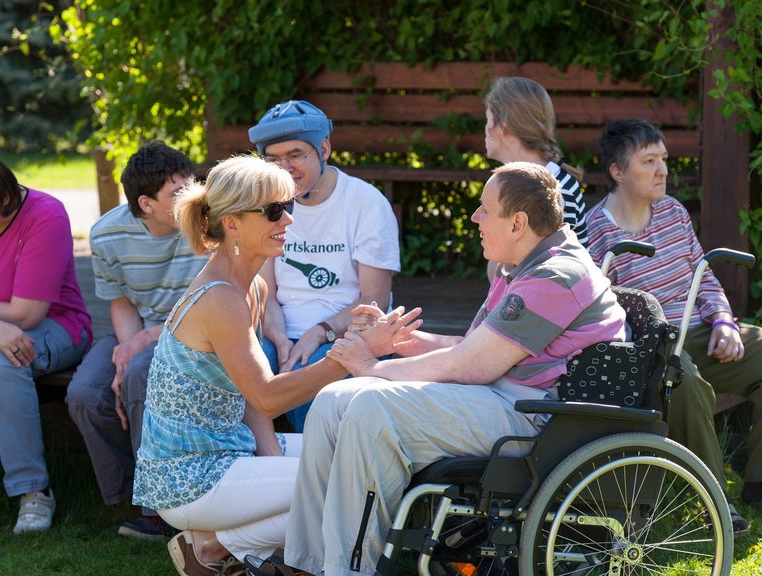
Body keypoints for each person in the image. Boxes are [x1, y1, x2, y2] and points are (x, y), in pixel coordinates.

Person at [267, 162, 628, 576]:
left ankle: (347, 569)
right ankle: (308, 564)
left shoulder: (555, 276)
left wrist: (371, 367)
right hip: (504, 397)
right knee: (332, 400)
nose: (474, 217)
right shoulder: (523, 266)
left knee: (372, 411)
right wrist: (399, 342)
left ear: (518, 223)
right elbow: (472, 348)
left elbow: (472, 365)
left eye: (484, 209)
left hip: (535, 418)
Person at [132, 155, 356, 576]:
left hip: (227, 450)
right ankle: (217, 548)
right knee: (343, 486)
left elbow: (252, 400)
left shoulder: (249, 286)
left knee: (359, 458)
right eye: (273, 210)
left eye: (287, 206)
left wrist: (271, 462)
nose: (287, 219)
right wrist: (346, 357)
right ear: (232, 224)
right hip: (189, 477)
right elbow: (268, 397)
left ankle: (221, 546)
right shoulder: (220, 298)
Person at [586, 118, 762, 531]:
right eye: (649, 161)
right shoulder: (597, 233)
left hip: (698, 331)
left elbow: (703, 276)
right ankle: (715, 502)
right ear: (617, 171)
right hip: (653, 347)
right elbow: (601, 315)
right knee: (682, 379)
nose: (663, 169)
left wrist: (723, 321)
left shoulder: (672, 212)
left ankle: (758, 482)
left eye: (663, 159)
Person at [66, 141, 208, 539]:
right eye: (178, 193)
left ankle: (159, 511)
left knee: (139, 376)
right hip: (138, 328)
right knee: (85, 394)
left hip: (196, 331)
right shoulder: (107, 234)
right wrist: (126, 350)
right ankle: (127, 493)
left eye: (192, 184)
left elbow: (217, 302)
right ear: (146, 204)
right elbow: (122, 304)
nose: (193, 197)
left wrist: (139, 349)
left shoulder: (209, 223)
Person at [248, 100, 401, 432]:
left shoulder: (366, 203)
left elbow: (375, 302)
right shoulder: (265, 206)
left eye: (296, 155)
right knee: (236, 378)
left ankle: (318, 479)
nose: (285, 167)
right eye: (274, 160)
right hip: (279, 335)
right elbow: (265, 294)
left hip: (346, 334)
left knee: (311, 392)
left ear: (324, 148)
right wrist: (278, 337)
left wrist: (319, 333)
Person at [0, 156, 92, 533]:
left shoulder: (44, 215)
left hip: (59, 327)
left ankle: (33, 490)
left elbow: (26, 314)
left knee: (4, 362)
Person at [485, 76, 588, 247]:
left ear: (503, 127)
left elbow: (556, 269)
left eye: (488, 120)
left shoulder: (556, 189)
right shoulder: (509, 184)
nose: (485, 129)